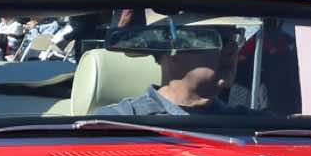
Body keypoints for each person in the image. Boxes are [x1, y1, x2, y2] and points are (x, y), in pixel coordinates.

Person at [96, 29, 234, 116]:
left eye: (236, 38)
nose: (232, 50)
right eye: (216, 39)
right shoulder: (116, 123)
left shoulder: (243, 122)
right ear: (172, 46)